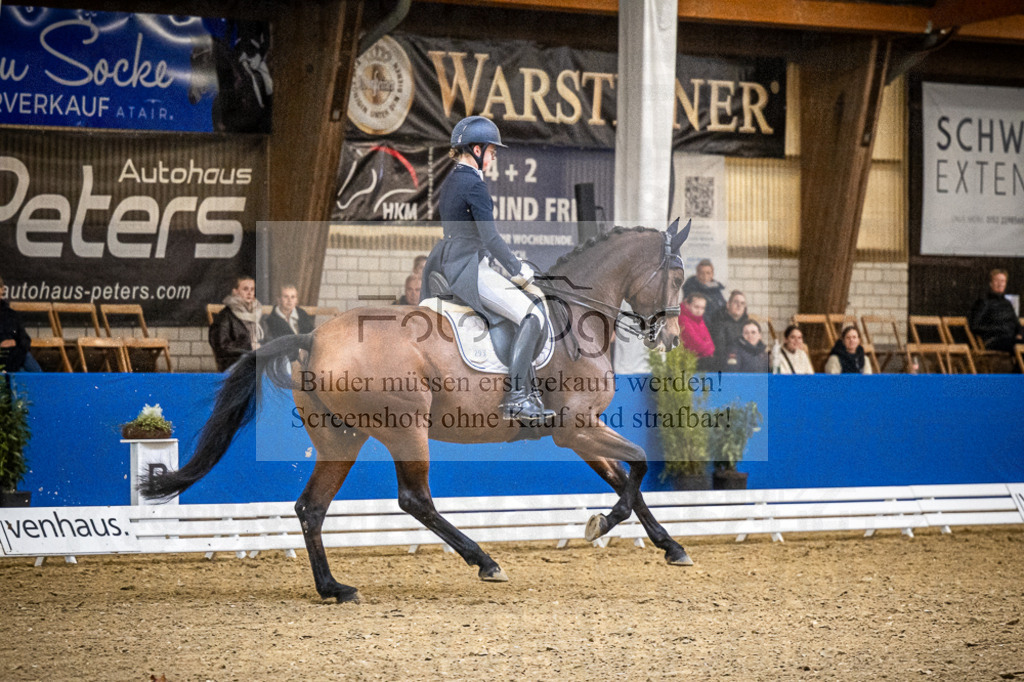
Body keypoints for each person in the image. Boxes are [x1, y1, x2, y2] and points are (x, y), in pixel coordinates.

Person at [421, 115, 551, 422]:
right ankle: (518, 396)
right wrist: (517, 268)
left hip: (451, 258)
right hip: (467, 267)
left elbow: (471, 235)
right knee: (532, 314)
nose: (494, 156)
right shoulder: (474, 185)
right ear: (476, 149)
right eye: (492, 150)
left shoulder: (452, 179)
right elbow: (490, 237)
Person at [209, 275, 264, 372]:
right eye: (245, 289)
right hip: (235, 362)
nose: (250, 293)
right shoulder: (225, 316)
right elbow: (222, 347)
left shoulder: (257, 314)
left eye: (252, 289)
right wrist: (249, 346)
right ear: (235, 291)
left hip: (257, 356)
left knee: (282, 361)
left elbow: (268, 338)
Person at [968, 268, 1023, 353]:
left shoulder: (1007, 303)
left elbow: (1017, 324)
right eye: (997, 281)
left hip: (1011, 339)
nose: (1000, 284)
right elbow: (974, 326)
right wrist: (998, 329)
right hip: (994, 340)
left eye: (1003, 281)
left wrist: (1020, 334)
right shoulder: (983, 302)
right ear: (991, 283)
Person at [706, 290, 750, 371]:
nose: (739, 305)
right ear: (728, 305)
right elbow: (720, 352)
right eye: (736, 302)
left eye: (742, 303)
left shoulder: (748, 325)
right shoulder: (718, 324)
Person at [0, 274, 35, 373]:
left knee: (25, 356)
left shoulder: (11, 314)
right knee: (23, 371)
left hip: (15, 356)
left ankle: (43, 382)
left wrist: (15, 343)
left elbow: (25, 339)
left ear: (2, 290)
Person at [677, 293, 714, 360]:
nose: (699, 311)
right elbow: (694, 344)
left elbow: (708, 339)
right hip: (688, 358)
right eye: (696, 307)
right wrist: (708, 349)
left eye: (702, 308)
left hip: (701, 356)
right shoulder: (682, 319)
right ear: (687, 305)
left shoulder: (698, 319)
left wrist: (709, 349)